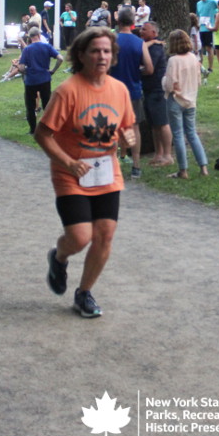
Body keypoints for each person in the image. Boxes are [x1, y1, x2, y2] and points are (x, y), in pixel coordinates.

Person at [37, 27, 137, 318]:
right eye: (95, 51)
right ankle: (59, 256)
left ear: (113, 56)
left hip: (106, 173)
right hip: (71, 173)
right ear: (81, 55)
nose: (102, 56)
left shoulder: (119, 90)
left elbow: (126, 129)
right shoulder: (67, 91)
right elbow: (43, 134)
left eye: (107, 51)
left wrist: (128, 139)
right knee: (80, 237)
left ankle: (84, 293)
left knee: (104, 235)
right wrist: (68, 162)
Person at [109, 8, 153, 179]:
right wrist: (137, 72)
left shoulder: (111, 41)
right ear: (133, 22)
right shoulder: (139, 43)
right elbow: (149, 68)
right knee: (134, 128)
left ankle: (112, 164)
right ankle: (136, 165)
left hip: (112, 90)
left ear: (118, 22)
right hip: (133, 91)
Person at [162, 29, 210, 180]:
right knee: (192, 133)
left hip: (176, 99)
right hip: (191, 100)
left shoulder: (173, 60)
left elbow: (169, 85)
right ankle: (203, 167)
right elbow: (198, 81)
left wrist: (163, 81)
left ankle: (183, 170)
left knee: (178, 135)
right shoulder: (193, 58)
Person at [18, 26, 64, 134]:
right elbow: (60, 58)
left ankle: (33, 130)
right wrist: (53, 70)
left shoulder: (27, 49)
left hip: (31, 81)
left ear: (30, 37)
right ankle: (48, 129)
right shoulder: (47, 46)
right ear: (39, 35)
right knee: (47, 105)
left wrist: (25, 72)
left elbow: (21, 67)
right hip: (44, 79)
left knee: (30, 106)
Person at [140, 21, 173, 166]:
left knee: (163, 123)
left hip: (158, 90)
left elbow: (149, 69)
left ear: (154, 33)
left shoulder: (155, 48)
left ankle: (168, 156)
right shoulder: (148, 45)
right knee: (154, 124)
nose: (141, 31)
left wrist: (137, 70)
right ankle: (158, 154)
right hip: (148, 90)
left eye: (144, 29)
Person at [195, 0, 218, 75]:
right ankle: (200, 67)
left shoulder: (212, 1)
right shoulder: (198, 4)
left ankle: (210, 68)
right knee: (200, 49)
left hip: (209, 29)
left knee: (209, 48)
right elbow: (198, 15)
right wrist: (197, 24)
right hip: (201, 29)